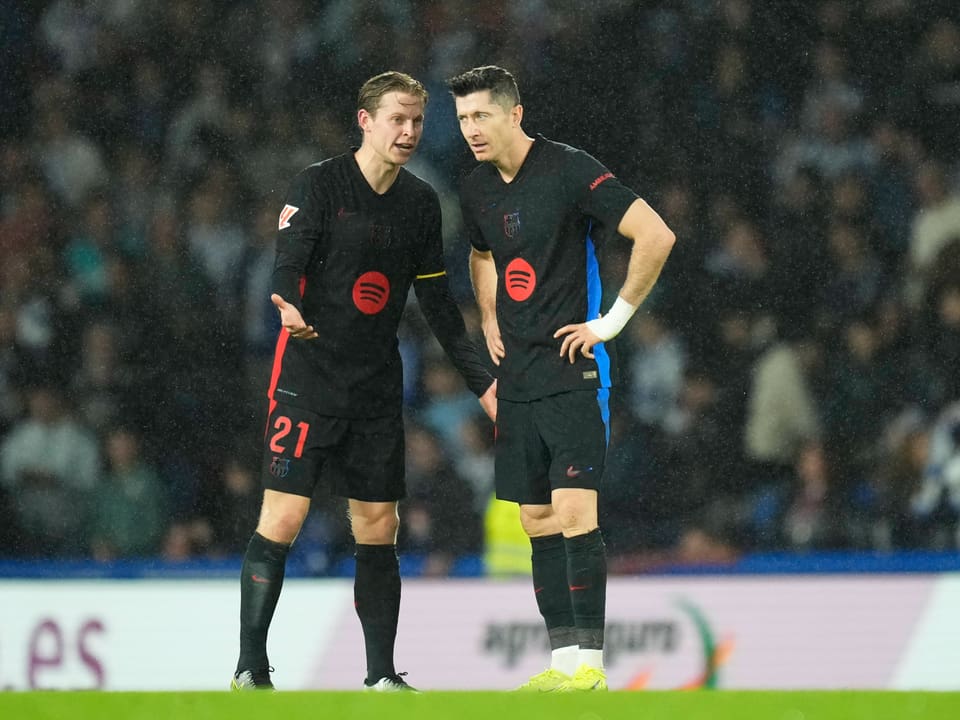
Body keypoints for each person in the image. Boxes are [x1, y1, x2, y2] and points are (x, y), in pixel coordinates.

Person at [232, 71, 496, 692]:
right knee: (284, 519)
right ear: (365, 121)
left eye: (416, 121)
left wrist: (483, 383)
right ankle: (251, 666)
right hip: (308, 378)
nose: (407, 132)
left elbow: (437, 308)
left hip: (377, 388)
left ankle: (380, 677)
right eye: (396, 119)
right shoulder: (319, 185)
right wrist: (287, 303)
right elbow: (287, 264)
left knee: (380, 527)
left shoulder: (420, 203)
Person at [447, 66, 675, 691]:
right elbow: (481, 252)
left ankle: (595, 668)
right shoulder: (475, 189)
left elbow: (656, 234)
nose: (471, 130)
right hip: (517, 374)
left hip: (574, 368)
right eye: (463, 119)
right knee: (537, 522)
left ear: (514, 114)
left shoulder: (570, 170)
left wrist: (611, 322)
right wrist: (489, 313)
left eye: (481, 116)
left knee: (576, 512)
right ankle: (563, 663)